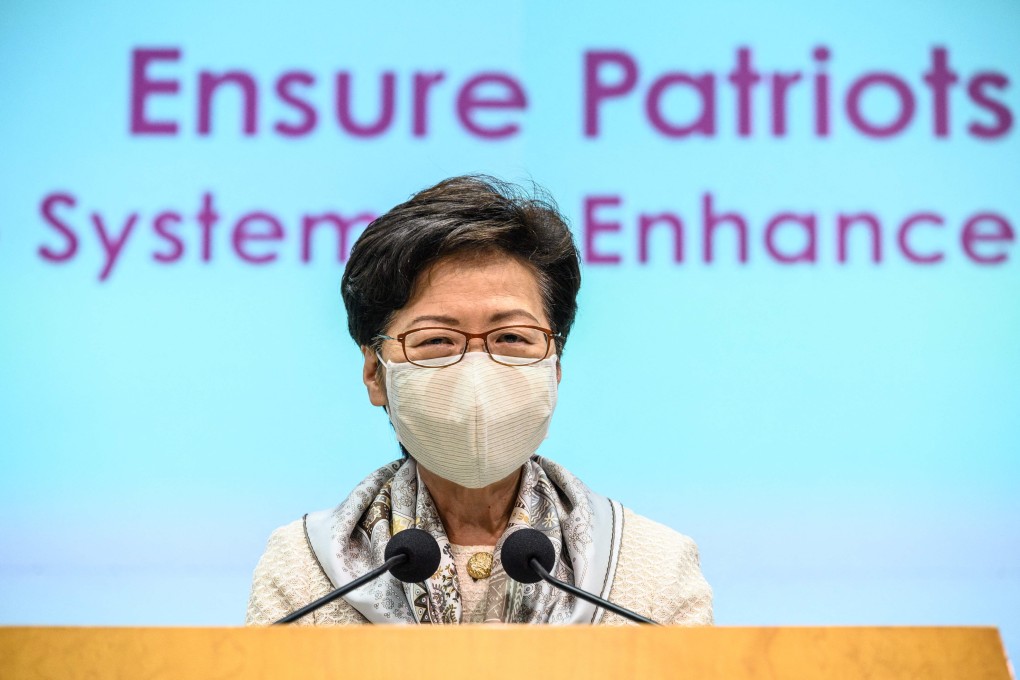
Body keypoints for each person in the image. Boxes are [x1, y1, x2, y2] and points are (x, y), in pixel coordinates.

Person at [245, 175, 713, 625]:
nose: (476, 371)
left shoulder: (649, 568)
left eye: (511, 336)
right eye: (436, 340)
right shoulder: (306, 572)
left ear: (556, 366)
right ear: (375, 372)